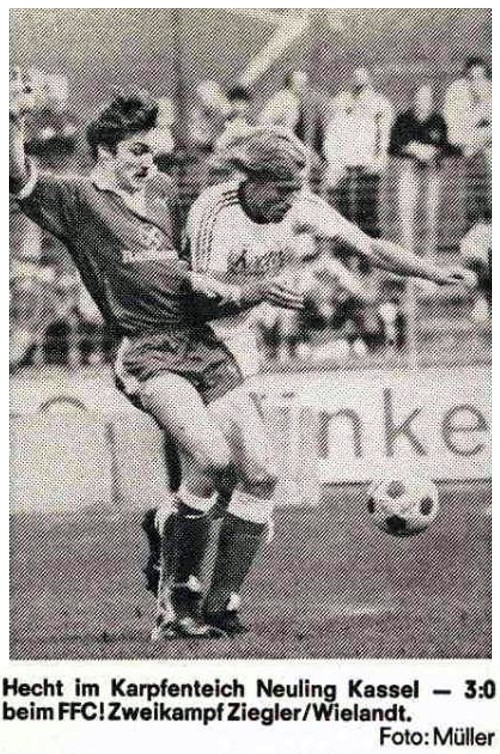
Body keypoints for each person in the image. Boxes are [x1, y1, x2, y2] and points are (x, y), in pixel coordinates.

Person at [142, 125, 474, 636]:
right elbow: (199, 297)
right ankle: (179, 587)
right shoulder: (214, 212)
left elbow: (369, 246)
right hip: (190, 347)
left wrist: (427, 271)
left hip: (238, 351)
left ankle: (214, 599)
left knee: (247, 479)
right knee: (229, 475)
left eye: (296, 191)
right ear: (252, 180)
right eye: (281, 191)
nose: (290, 202)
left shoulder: (300, 204)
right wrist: (259, 289)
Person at [9, 72, 304, 640]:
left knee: (262, 473)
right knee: (212, 460)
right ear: (105, 152)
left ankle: (218, 601)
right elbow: (17, 177)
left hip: (201, 343)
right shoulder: (77, 199)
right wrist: (13, 120)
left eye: (153, 151)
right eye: (137, 152)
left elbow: (190, 271)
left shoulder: (163, 192)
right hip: (146, 349)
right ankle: (176, 604)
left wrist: (247, 286)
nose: (149, 163)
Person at [323, 67, 394, 238]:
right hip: (345, 168)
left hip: (367, 167)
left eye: (363, 82)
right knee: (343, 214)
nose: (359, 85)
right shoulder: (341, 104)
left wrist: (379, 160)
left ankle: (369, 252)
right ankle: (344, 251)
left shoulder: (379, 104)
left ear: (369, 81)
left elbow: (384, 136)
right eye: (356, 80)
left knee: (368, 214)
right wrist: (334, 163)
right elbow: (331, 135)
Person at [389, 83, 452, 254]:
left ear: (431, 100)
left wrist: (432, 151)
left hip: (432, 172)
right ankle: (408, 254)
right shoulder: (403, 119)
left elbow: (446, 147)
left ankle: (429, 256)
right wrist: (411, 149)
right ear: (414, 99)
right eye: (419, 98)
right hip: (409, 170)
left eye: (426, 98)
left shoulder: (438, 120)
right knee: (406, 213)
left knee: (431, 214)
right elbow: (393, 147)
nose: (423, 101)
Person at [444, 56, 491, 226]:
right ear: (466, 79)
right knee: (473, 197)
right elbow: (453, 135)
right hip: (466, 156)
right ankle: (475, 230)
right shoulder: (456, 92)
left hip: (488, 153)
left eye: (481, 78)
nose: (476, 83)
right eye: (472, 78)